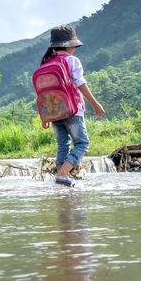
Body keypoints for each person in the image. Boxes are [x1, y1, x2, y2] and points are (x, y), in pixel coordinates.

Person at [41, 25, 105, 186]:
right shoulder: (72, 60)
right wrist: (95, 104)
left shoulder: (46, 62)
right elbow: (80, 82)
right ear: (68, 45)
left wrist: (45, 115)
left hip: (54, 111)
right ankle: (63, 174)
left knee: (63, 144)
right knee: (82, 143)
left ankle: (61, 177)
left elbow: (43, 92)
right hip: (72, 109)